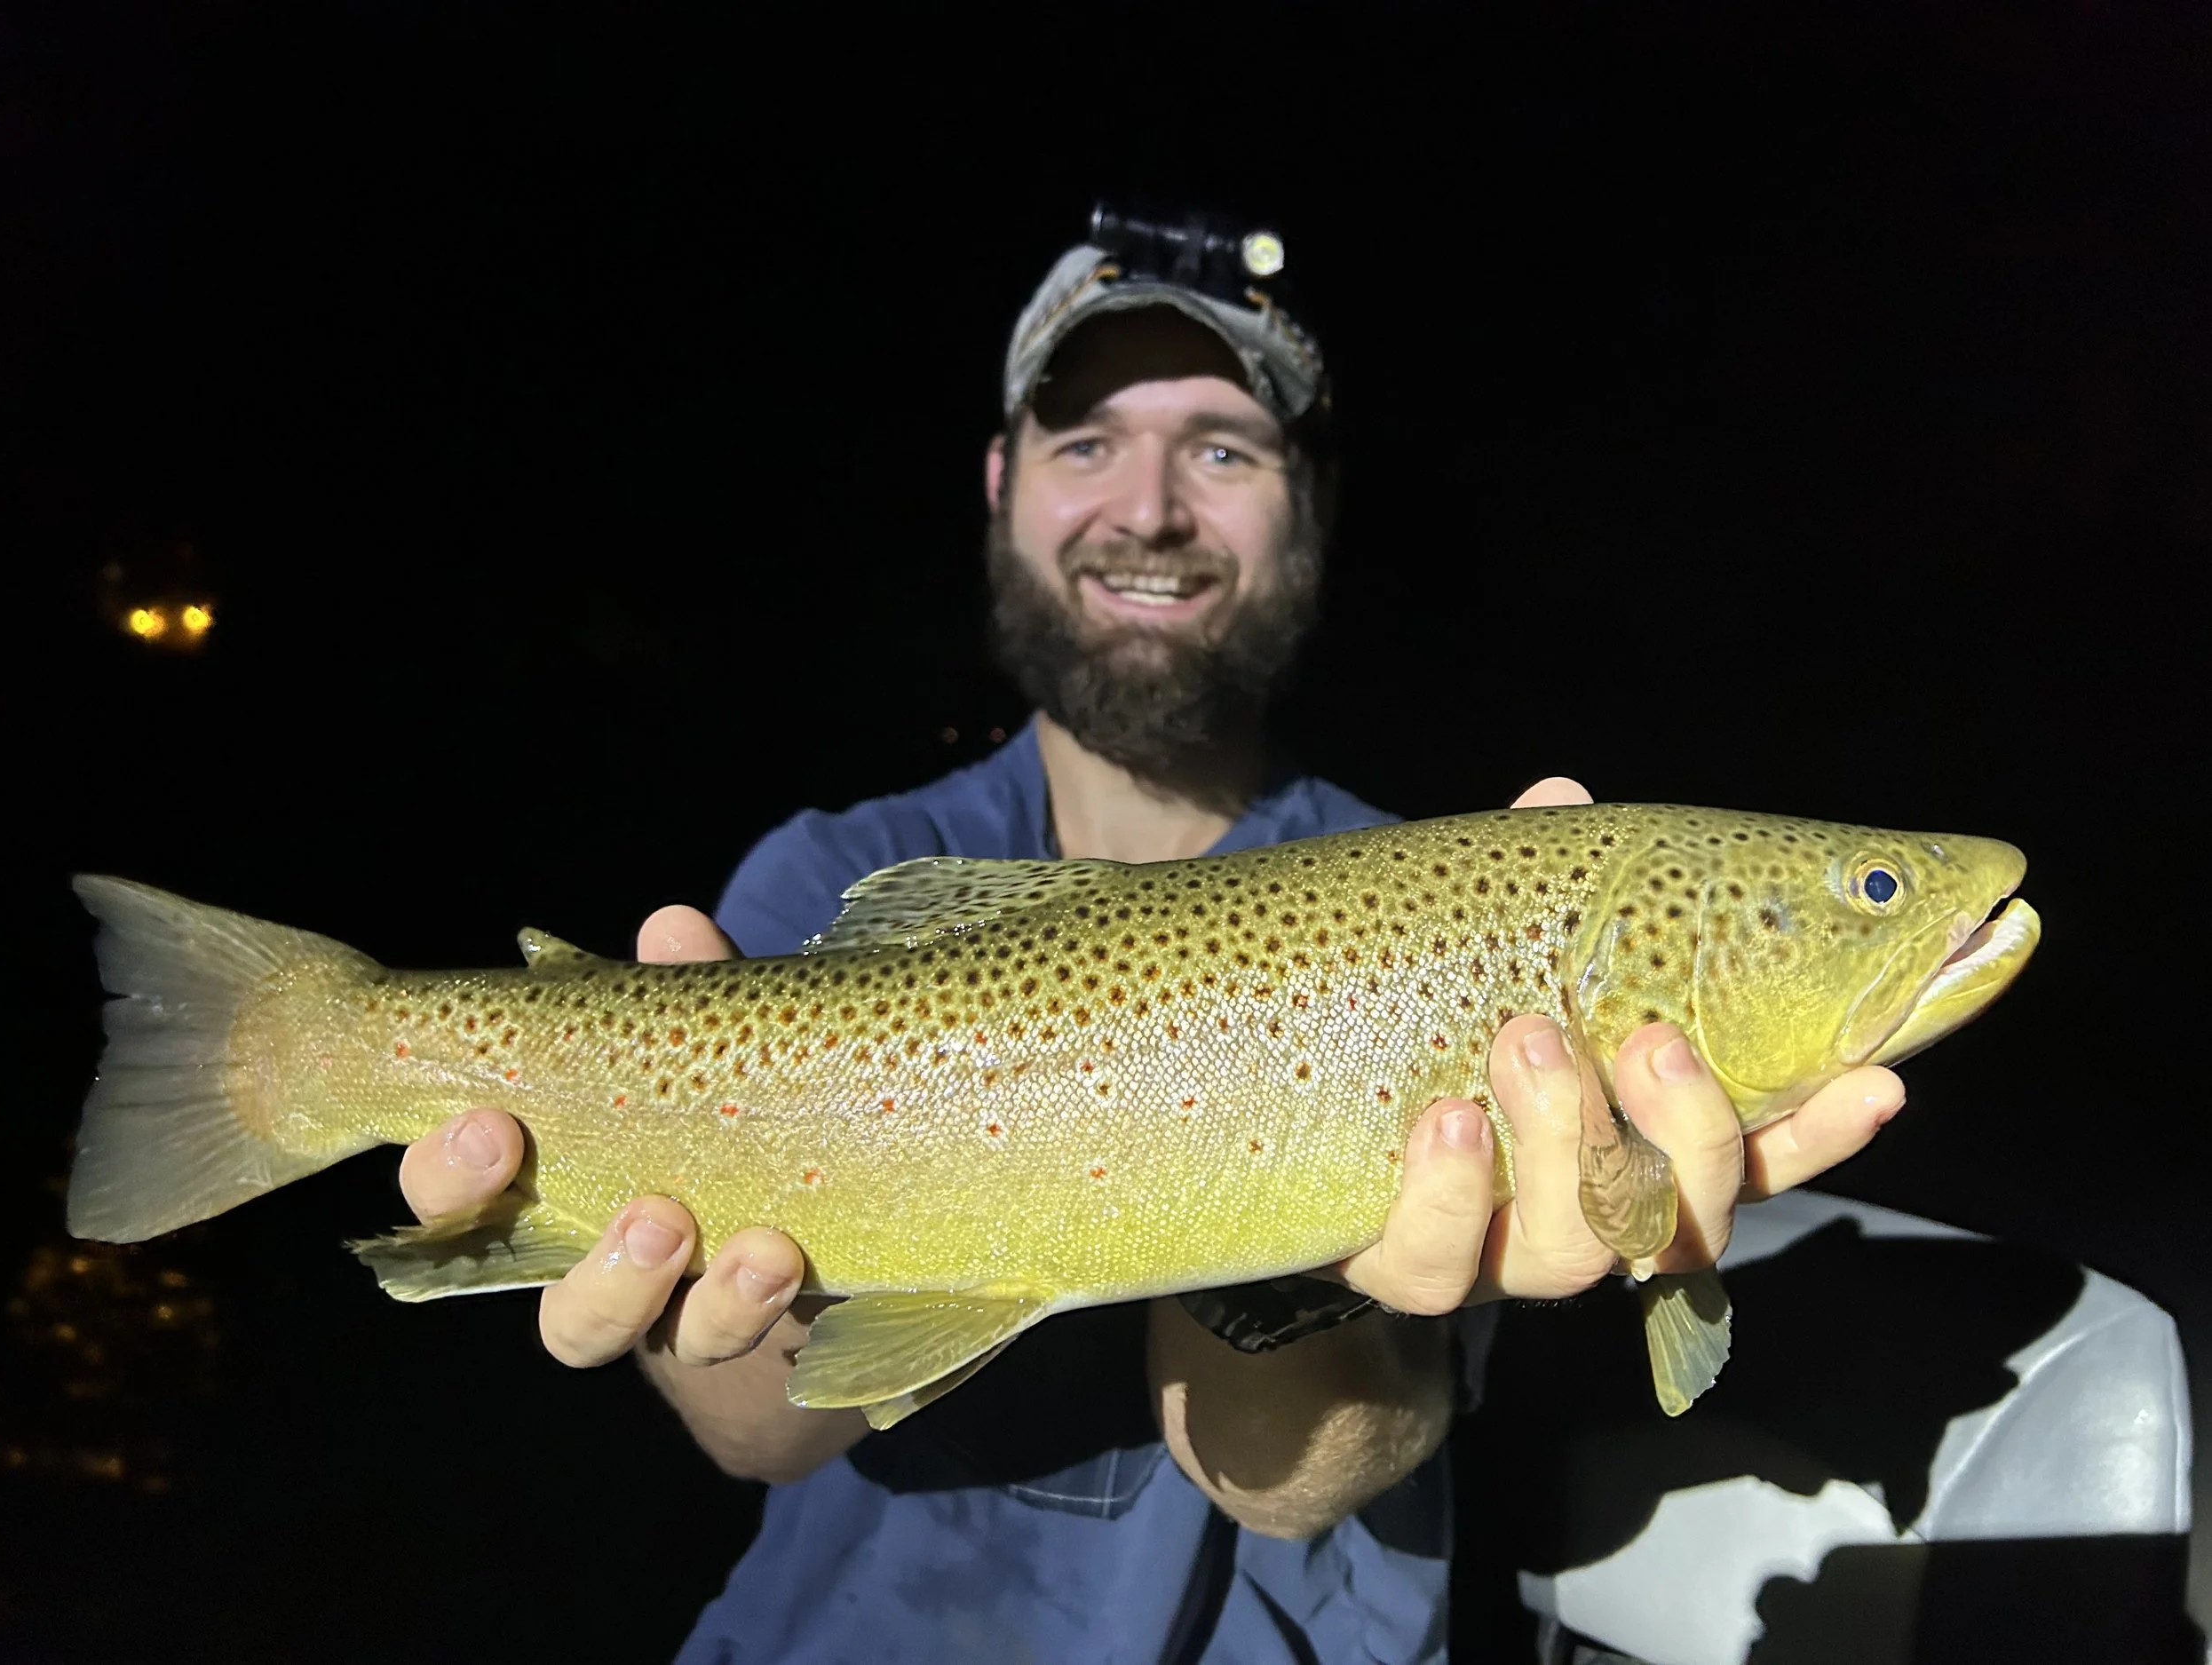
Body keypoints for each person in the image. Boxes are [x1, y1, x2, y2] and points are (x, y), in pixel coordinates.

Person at [396, 216, 1905, 1662]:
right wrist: (664, 1248)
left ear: (1300, 508)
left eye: (1225, 449)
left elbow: (1285, 1475)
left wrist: (1336, 1287)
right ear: (1001, 481)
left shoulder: (1427, 900)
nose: (1153, 507)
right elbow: (763, 1428)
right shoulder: (837, 873)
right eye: (1087, 440)